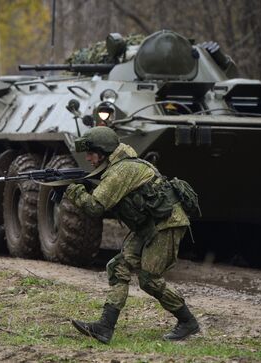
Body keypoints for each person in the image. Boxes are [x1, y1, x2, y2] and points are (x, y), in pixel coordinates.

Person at [64, 126, 199, 344]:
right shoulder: (118, 165)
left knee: (149, 279)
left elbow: (95, 206)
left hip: (167, 224)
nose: (87, 157)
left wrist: (73, 190)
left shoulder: (121, 171)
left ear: (103, 151)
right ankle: (104, 328)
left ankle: (187, 322)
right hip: (150, 225)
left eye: (90, 152)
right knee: (118, 267)